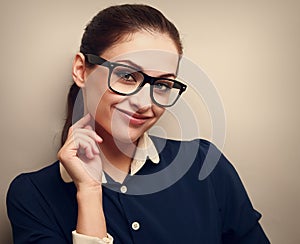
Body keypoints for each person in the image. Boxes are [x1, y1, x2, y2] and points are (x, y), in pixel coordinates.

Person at [6, 4, 270, 244]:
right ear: (81, 70)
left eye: (163, 84)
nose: (145, 103)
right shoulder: (33, 196)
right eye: (127, 76)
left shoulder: (205, 165)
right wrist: (89, 192)